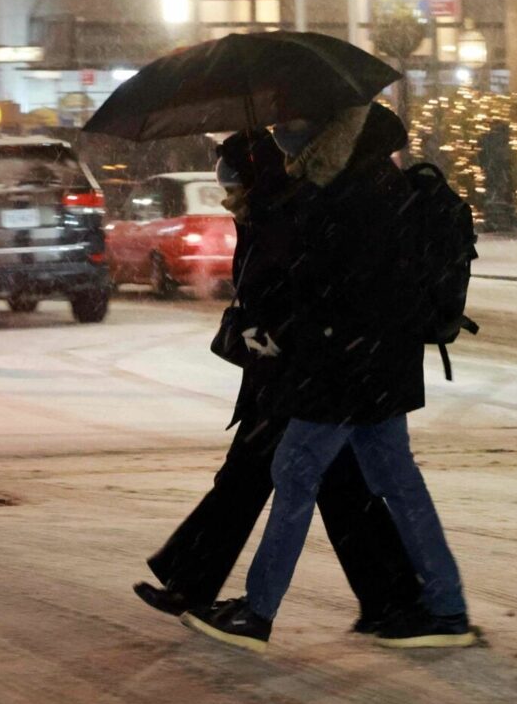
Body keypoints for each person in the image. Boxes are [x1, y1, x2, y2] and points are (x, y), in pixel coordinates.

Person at [182, 103, 474, 653]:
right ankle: (447, 606)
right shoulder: (367, 180)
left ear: (324, 135)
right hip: (378, 364)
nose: (286, 140)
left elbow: (339, 286)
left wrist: (296, 321)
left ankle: (258, 610)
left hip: (347, 364)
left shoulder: (352, 190)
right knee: (397, 479)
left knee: (294, 468)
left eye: (292, 130)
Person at [135, 129, 423, 633]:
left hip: (295, 378)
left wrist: (267, 328)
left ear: (252, 178)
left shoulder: (282, 215)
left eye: (231, 180)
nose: (225, 194)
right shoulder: (264, 215)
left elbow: (300, 291)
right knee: (326, 487)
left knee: (275, 482)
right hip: (287, 376)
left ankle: (216, 590)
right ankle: (391, 600)